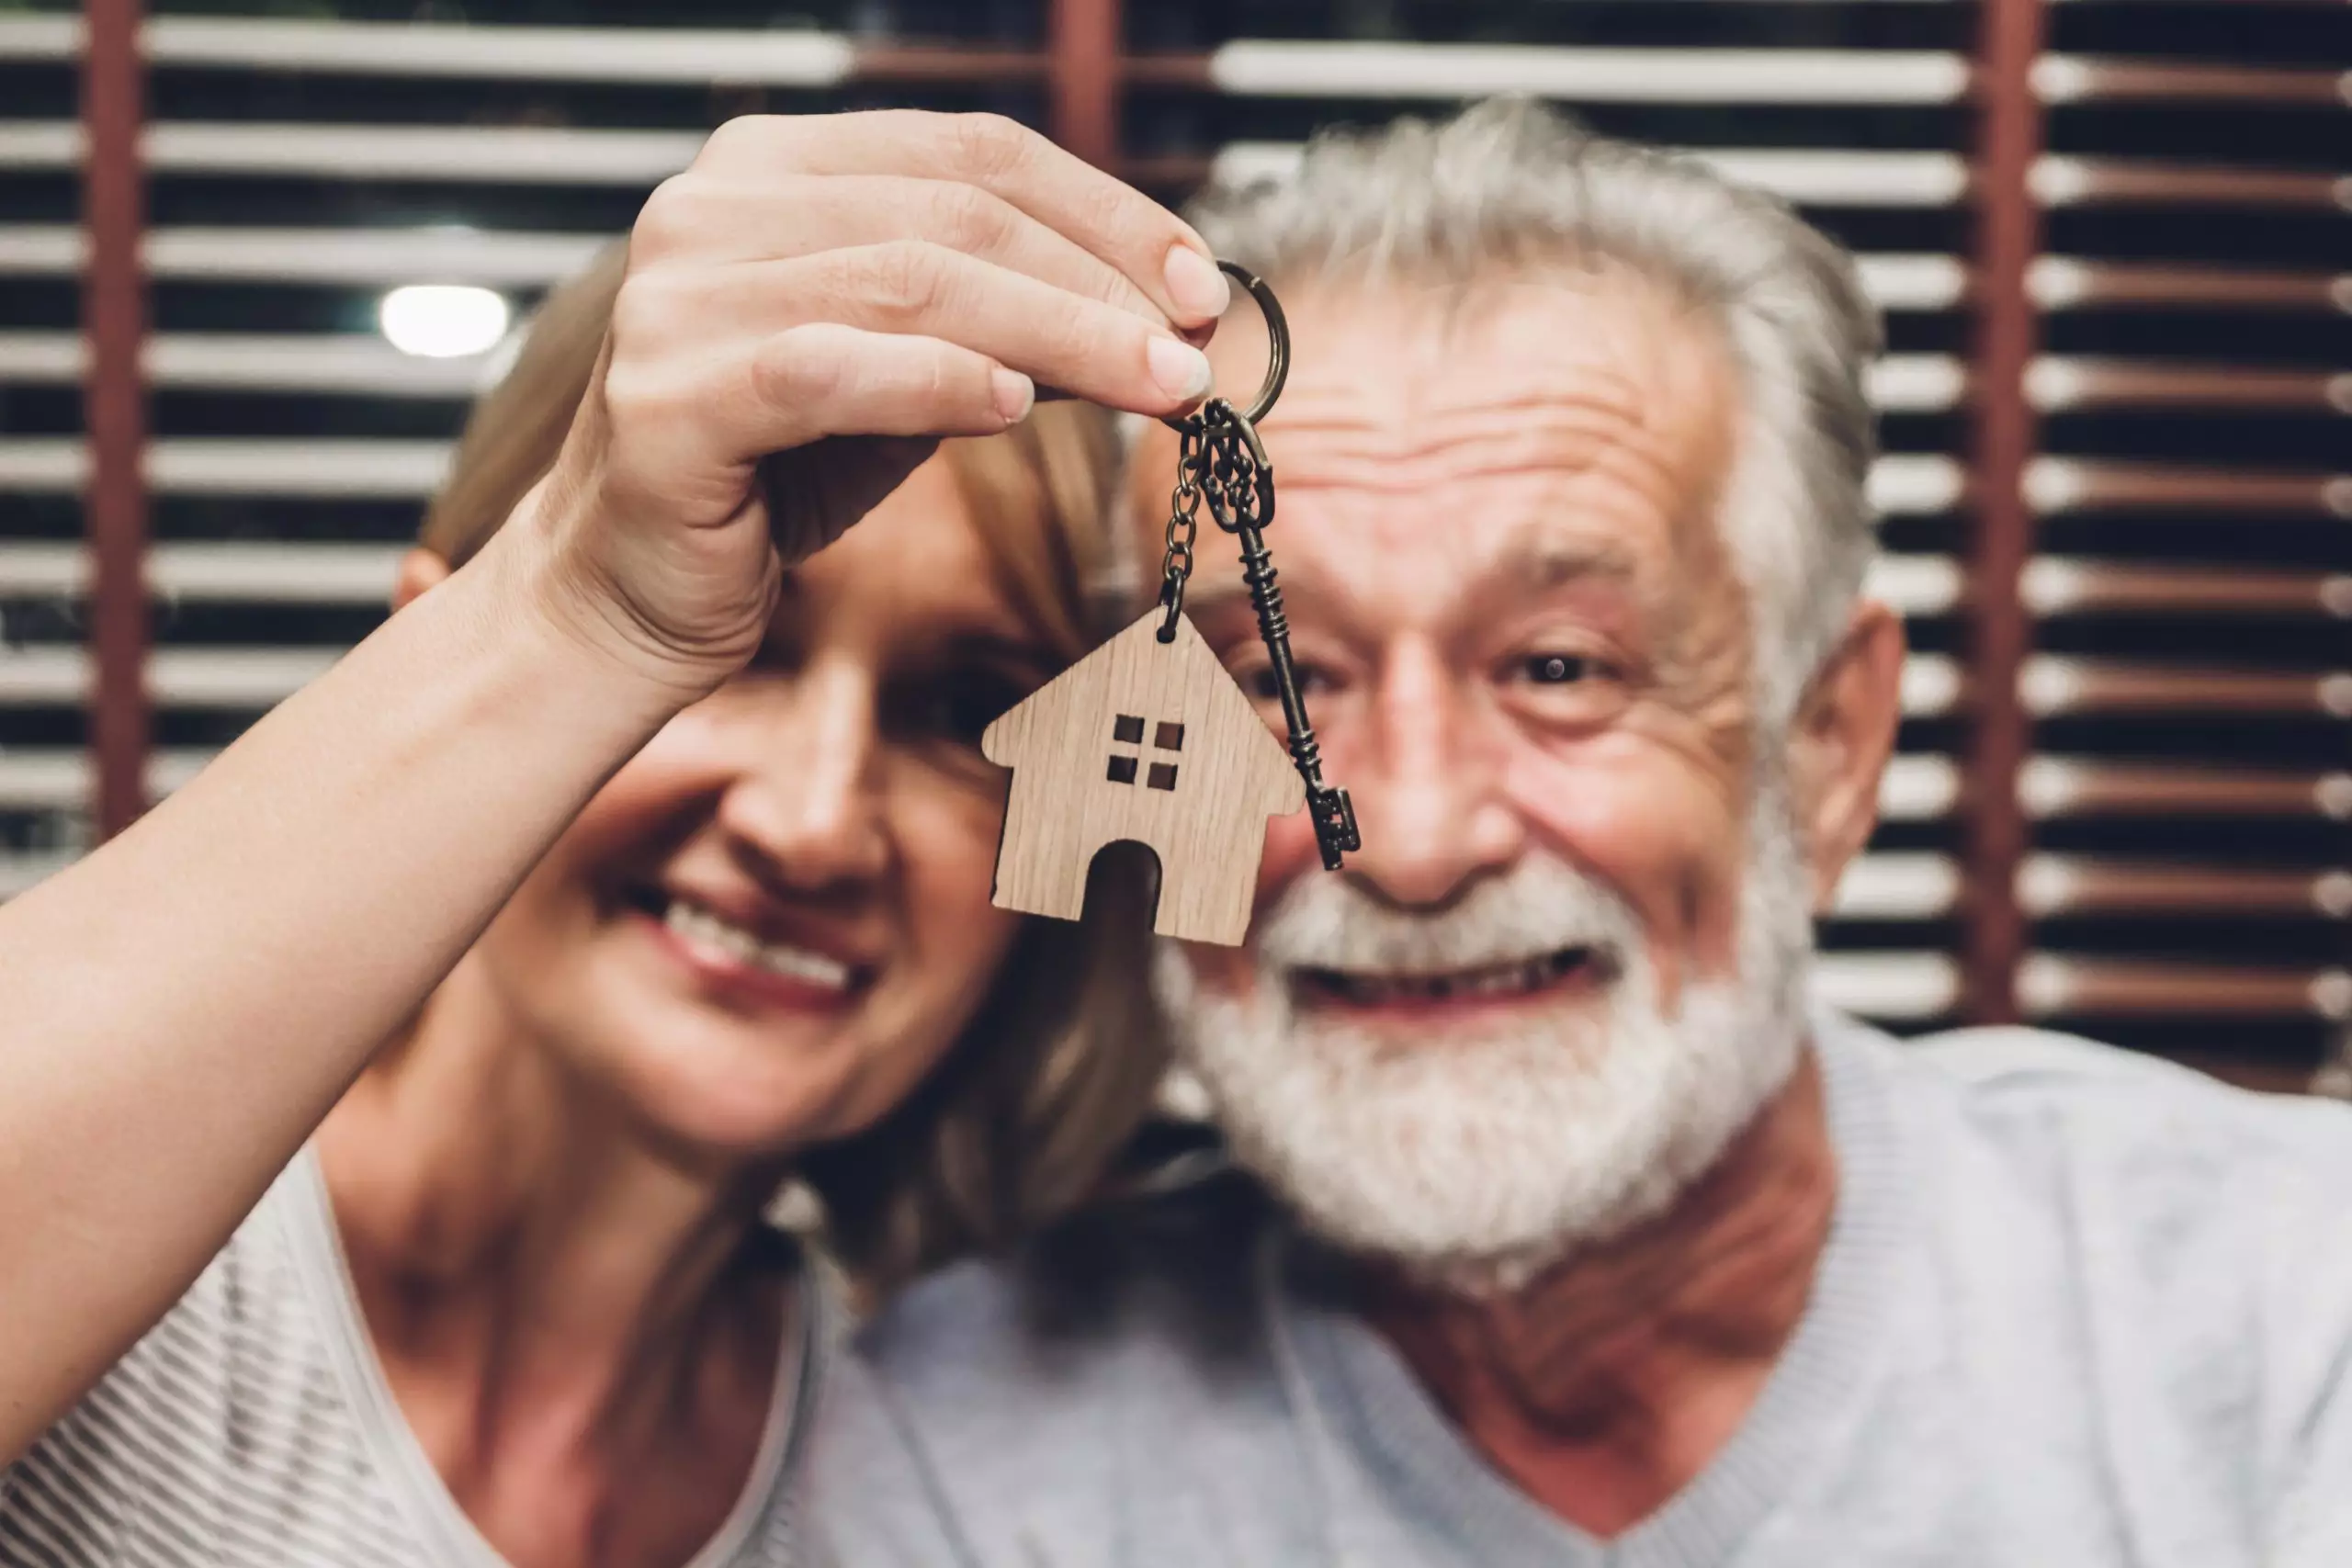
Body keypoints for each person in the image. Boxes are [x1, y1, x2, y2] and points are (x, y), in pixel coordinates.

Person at [810, 99, 2352, 1565]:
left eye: (1560, 668)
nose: (1408, 842)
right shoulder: (962, 1445)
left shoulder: (2285, 1310)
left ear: (1829, 749)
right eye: (1283, 682)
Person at [0, 110, 1238, 1565]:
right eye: (736, 648)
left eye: (965, 708)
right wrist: (581, 611)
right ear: (439, 640)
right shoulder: (133, 1253)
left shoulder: (926, 1481)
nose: (812, 821)